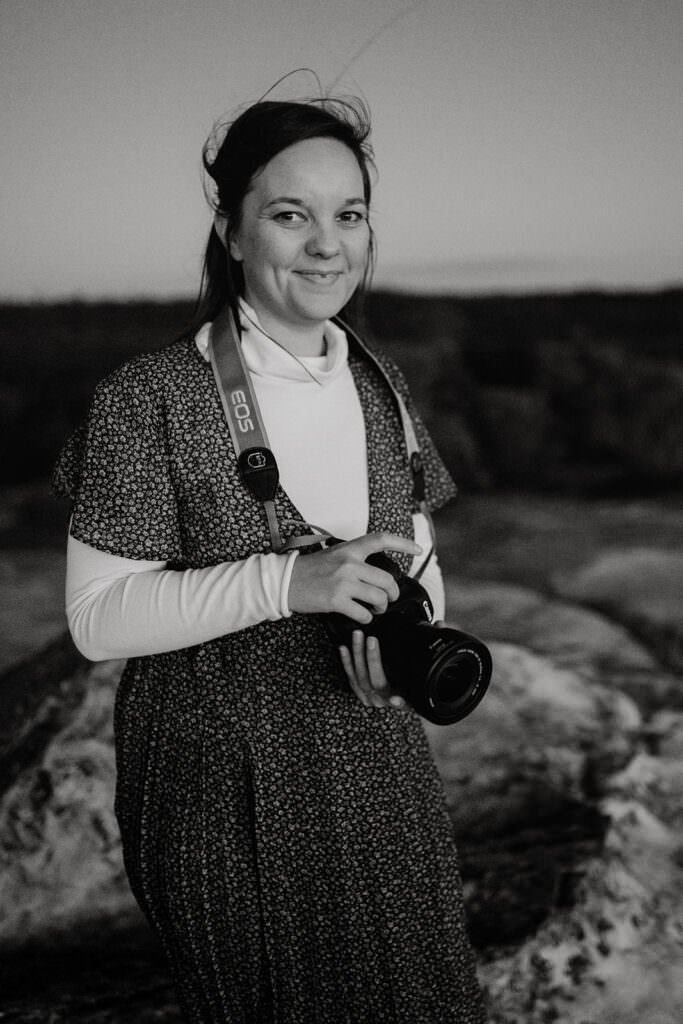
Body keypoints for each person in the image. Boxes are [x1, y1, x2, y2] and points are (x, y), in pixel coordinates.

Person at [54, 95, 486, 1023]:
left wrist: (404, 661)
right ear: (231, 230)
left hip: (376, 764)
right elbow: (96, 621)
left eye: (349, 215)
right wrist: (290, 583)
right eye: (290, 215)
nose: (327, 245)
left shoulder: (381, 384)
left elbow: (418, 551)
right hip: (221, 788)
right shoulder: (152, 395)